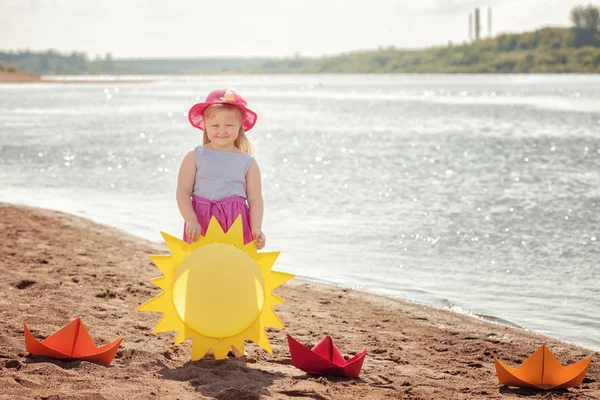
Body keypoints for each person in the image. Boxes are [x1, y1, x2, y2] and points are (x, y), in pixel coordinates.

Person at [176, 88, 266, 357]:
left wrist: (257, 228)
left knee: (235, 280)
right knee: (202, 279)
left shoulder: (247, 161)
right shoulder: (195, 155)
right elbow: (182, 191)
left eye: (229, 125)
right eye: (215, 124)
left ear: (241, 127)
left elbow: (256, 199)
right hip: (202, 222)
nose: (222, 130)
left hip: (236, 223)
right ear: (204, 125)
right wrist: (190, 219)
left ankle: (235, 340)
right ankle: (203, 336)